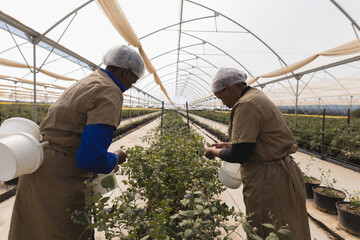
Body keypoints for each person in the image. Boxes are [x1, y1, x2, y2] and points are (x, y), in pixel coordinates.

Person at [8, 45, 145, 240]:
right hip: (62, 179)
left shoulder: (89, 81)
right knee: (64, 231)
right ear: (126, 71)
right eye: (134, 79)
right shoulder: (109, 92)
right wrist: (114, 159)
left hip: (39, 166)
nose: (132, 85)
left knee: (33, 228)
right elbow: (90, 158)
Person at [204, 67, 311, 239]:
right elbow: (259, 140)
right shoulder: (255, 97)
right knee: (287, 225)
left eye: (221, 97)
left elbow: (240, 155)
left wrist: (213, 152)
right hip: (280, 173)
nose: (222, 102)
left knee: (267, 229)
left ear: (230, 88)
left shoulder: (246, 104)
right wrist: (230, 144)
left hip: (269, 181)